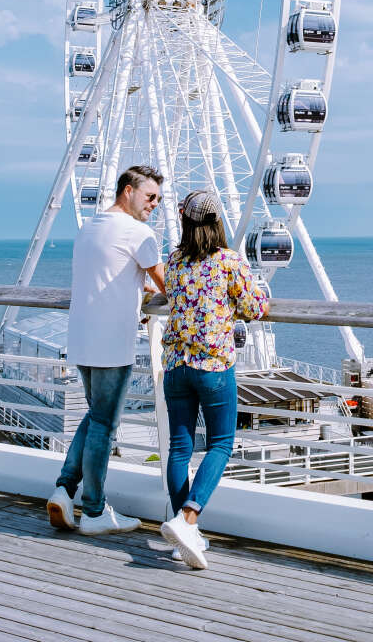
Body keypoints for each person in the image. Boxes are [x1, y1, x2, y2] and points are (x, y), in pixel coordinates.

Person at [47, 165, 166, 536]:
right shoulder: (138, 233)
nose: (154, 206)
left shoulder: (91, 227)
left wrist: (138, 289)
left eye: (158, 200)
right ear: (128, 190)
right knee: (105, 425)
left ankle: (64, 490)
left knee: (95, 417)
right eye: (150, 197)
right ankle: (95, 511)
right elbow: (169, 285)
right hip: (112, 343)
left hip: (80, 340)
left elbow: (109, 272)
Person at [158, 189, 270, 569]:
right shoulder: (227, 262)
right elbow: (255, 308)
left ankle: (183, 535)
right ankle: (188, 518)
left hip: (175, 365)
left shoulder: (173, 262)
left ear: (185, 223)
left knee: (179, 449)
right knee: (221, 444)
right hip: (213, 367)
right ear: (217, 222)